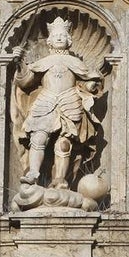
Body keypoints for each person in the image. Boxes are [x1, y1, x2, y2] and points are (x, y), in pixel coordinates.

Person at [11, 16, 104, 190]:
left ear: (69, 40)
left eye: (63, 35)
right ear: (50, 41)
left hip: (69, 102)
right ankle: (33, 174)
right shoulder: (43, 63)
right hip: (46, 101)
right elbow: (25, 82)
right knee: (38, 137)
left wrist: (91, 84)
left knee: (64, 143)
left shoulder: (75, 63)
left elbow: (89, 79)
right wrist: (18, 65)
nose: (60, 37)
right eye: (56, 36)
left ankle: (60, 179)